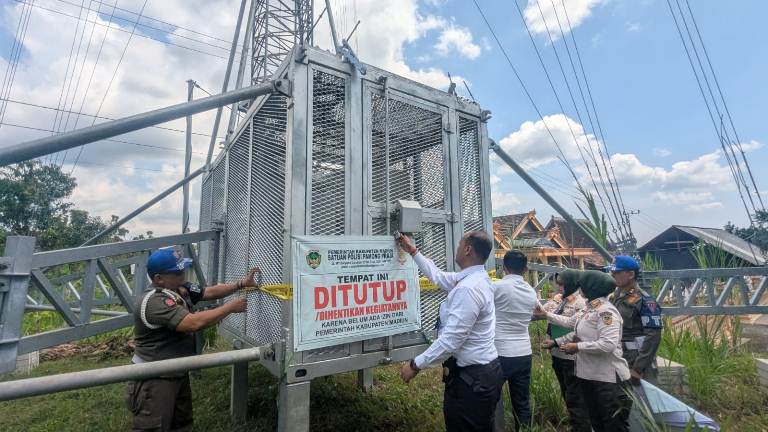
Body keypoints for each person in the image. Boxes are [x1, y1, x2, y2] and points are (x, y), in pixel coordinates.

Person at [127, 248, 257, 432]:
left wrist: (241, 283)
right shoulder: (154, 302)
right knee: (153, 427)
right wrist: (229, 308)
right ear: (159, 279)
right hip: (154, 376)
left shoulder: (180, 288)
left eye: (183, 269)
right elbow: (192, 323)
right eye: (178, 272)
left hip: (177, 371)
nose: (183, 274)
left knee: (182, 424)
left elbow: (208, 292)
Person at [397, 231, 503, 432]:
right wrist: (413, 251)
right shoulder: (475, 278)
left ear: (468, 249)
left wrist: (415, 365)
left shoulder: (469, 289)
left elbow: (451, 341)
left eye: (459, 244)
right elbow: (437, 276)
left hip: (473, 381)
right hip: (481, 374)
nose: (457, 248)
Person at [537, 270, 632, 432]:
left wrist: (578, 347)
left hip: (608, 380)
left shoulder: (606, 312)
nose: (579, 288)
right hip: (589, 376)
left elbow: (608, 344)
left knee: (613, 426)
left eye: (582, 285)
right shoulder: (590, 308)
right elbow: (573, 325)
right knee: (597, 423)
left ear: (592, 287)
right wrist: (547, 316)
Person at [493, 250, 537, 431]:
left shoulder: (497, 287)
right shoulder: (531, 292)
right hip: (524, 353)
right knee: (522, 403)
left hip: (500, 353)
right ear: (525, 269)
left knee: (490, 400)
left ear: (504, 267)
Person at [540, 269, 589, 432]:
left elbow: (576, 330)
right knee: (567, 393)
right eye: (558, 284)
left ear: (573, 284)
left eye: (563, 284)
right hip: (558, 355)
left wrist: (556, 341)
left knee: (575, 397)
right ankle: (576, 425)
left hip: (571, 357)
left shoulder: (581, 303)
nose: (559, 288)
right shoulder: (560, 301)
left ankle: (581, 427)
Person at [608, 255, 663, 385]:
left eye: (617, 272)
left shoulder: (645, 300)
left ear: (631, 274)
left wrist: (638, 368)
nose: (612, 275)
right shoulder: (614, 297)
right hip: (618, 355)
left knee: (642, 401)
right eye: (612, 272)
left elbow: (653, 336)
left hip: (636, 358)